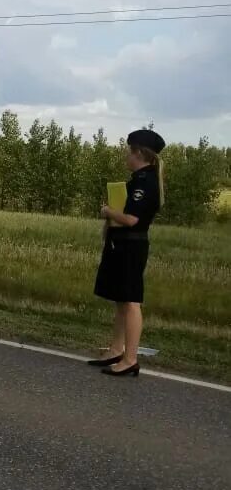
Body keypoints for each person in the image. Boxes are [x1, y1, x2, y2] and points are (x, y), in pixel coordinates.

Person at [89, 128, 166, 377]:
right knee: (121, 300)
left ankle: (130, 358)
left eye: (128, 151)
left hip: (131, 246)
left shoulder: (145, 182)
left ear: (139, 153)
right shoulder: (139, 179)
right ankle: (116, 349)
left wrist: (108, 212)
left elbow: (132, 219)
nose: (126, 156)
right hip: (122, 244)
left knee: (131, 301)